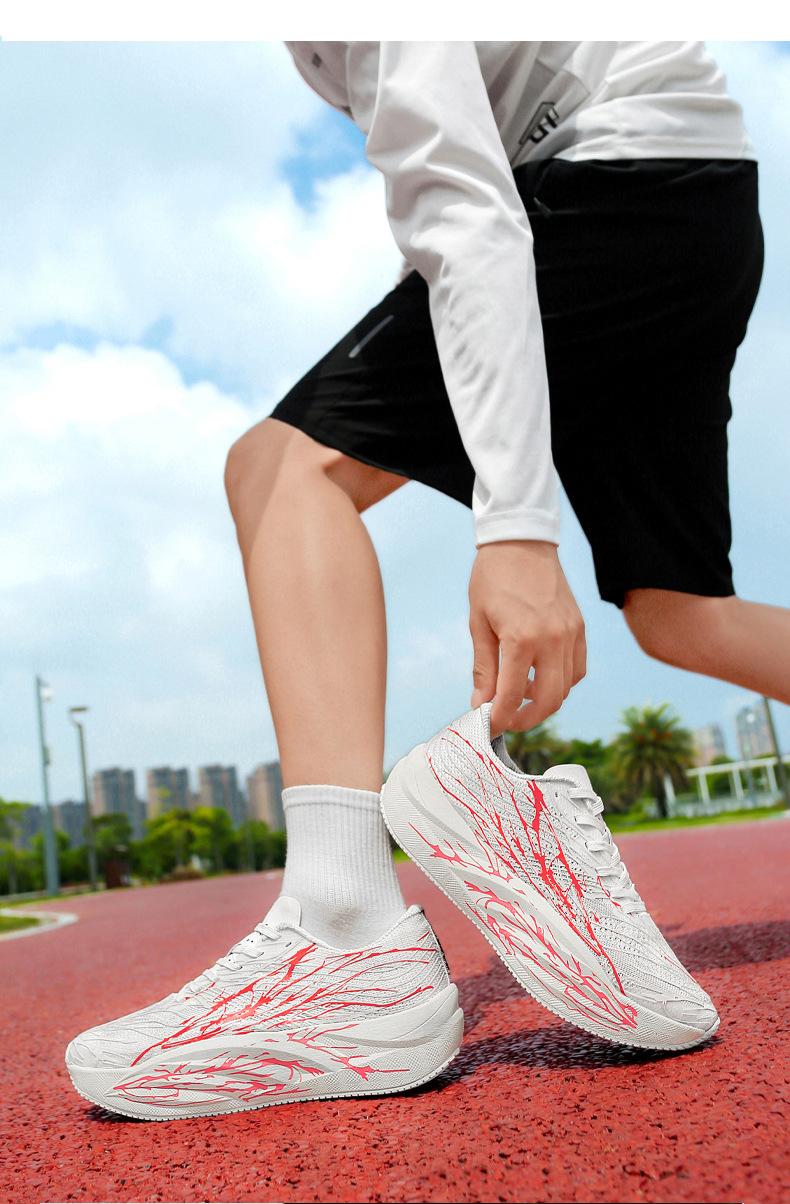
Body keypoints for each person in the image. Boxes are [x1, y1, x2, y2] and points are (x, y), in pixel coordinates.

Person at [66, 41, 790, 1119]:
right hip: (695, 197)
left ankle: (345, 934)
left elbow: (465, 212)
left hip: (613, 180)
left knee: (283, 470)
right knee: (683, 614)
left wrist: (518, 532)